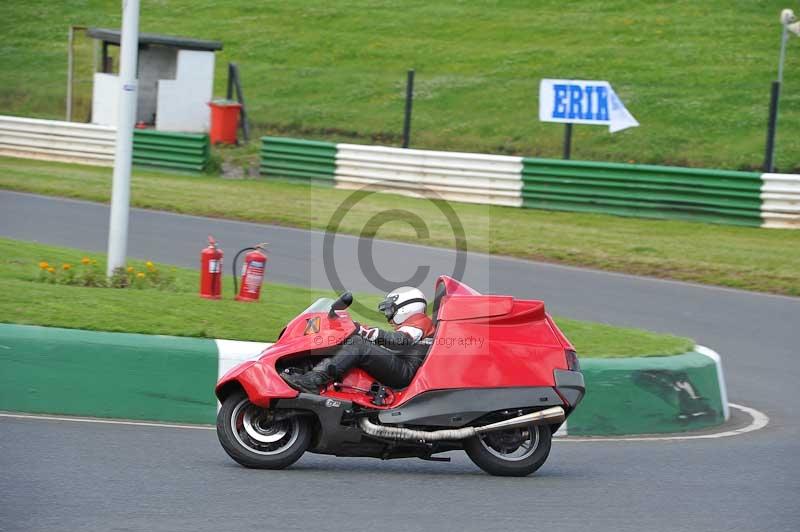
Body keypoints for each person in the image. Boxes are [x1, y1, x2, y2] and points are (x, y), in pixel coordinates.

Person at [282, 286, 435, 394]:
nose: (388, 316)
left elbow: (398, 340)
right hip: (401, 365)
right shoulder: (415, 324)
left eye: (390, 310)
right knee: (349, 341)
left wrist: (362, 330)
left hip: (404, 372)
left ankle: (313, 381)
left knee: (359, 345)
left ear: (405, 309)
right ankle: (304, 371)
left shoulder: (420, 321)